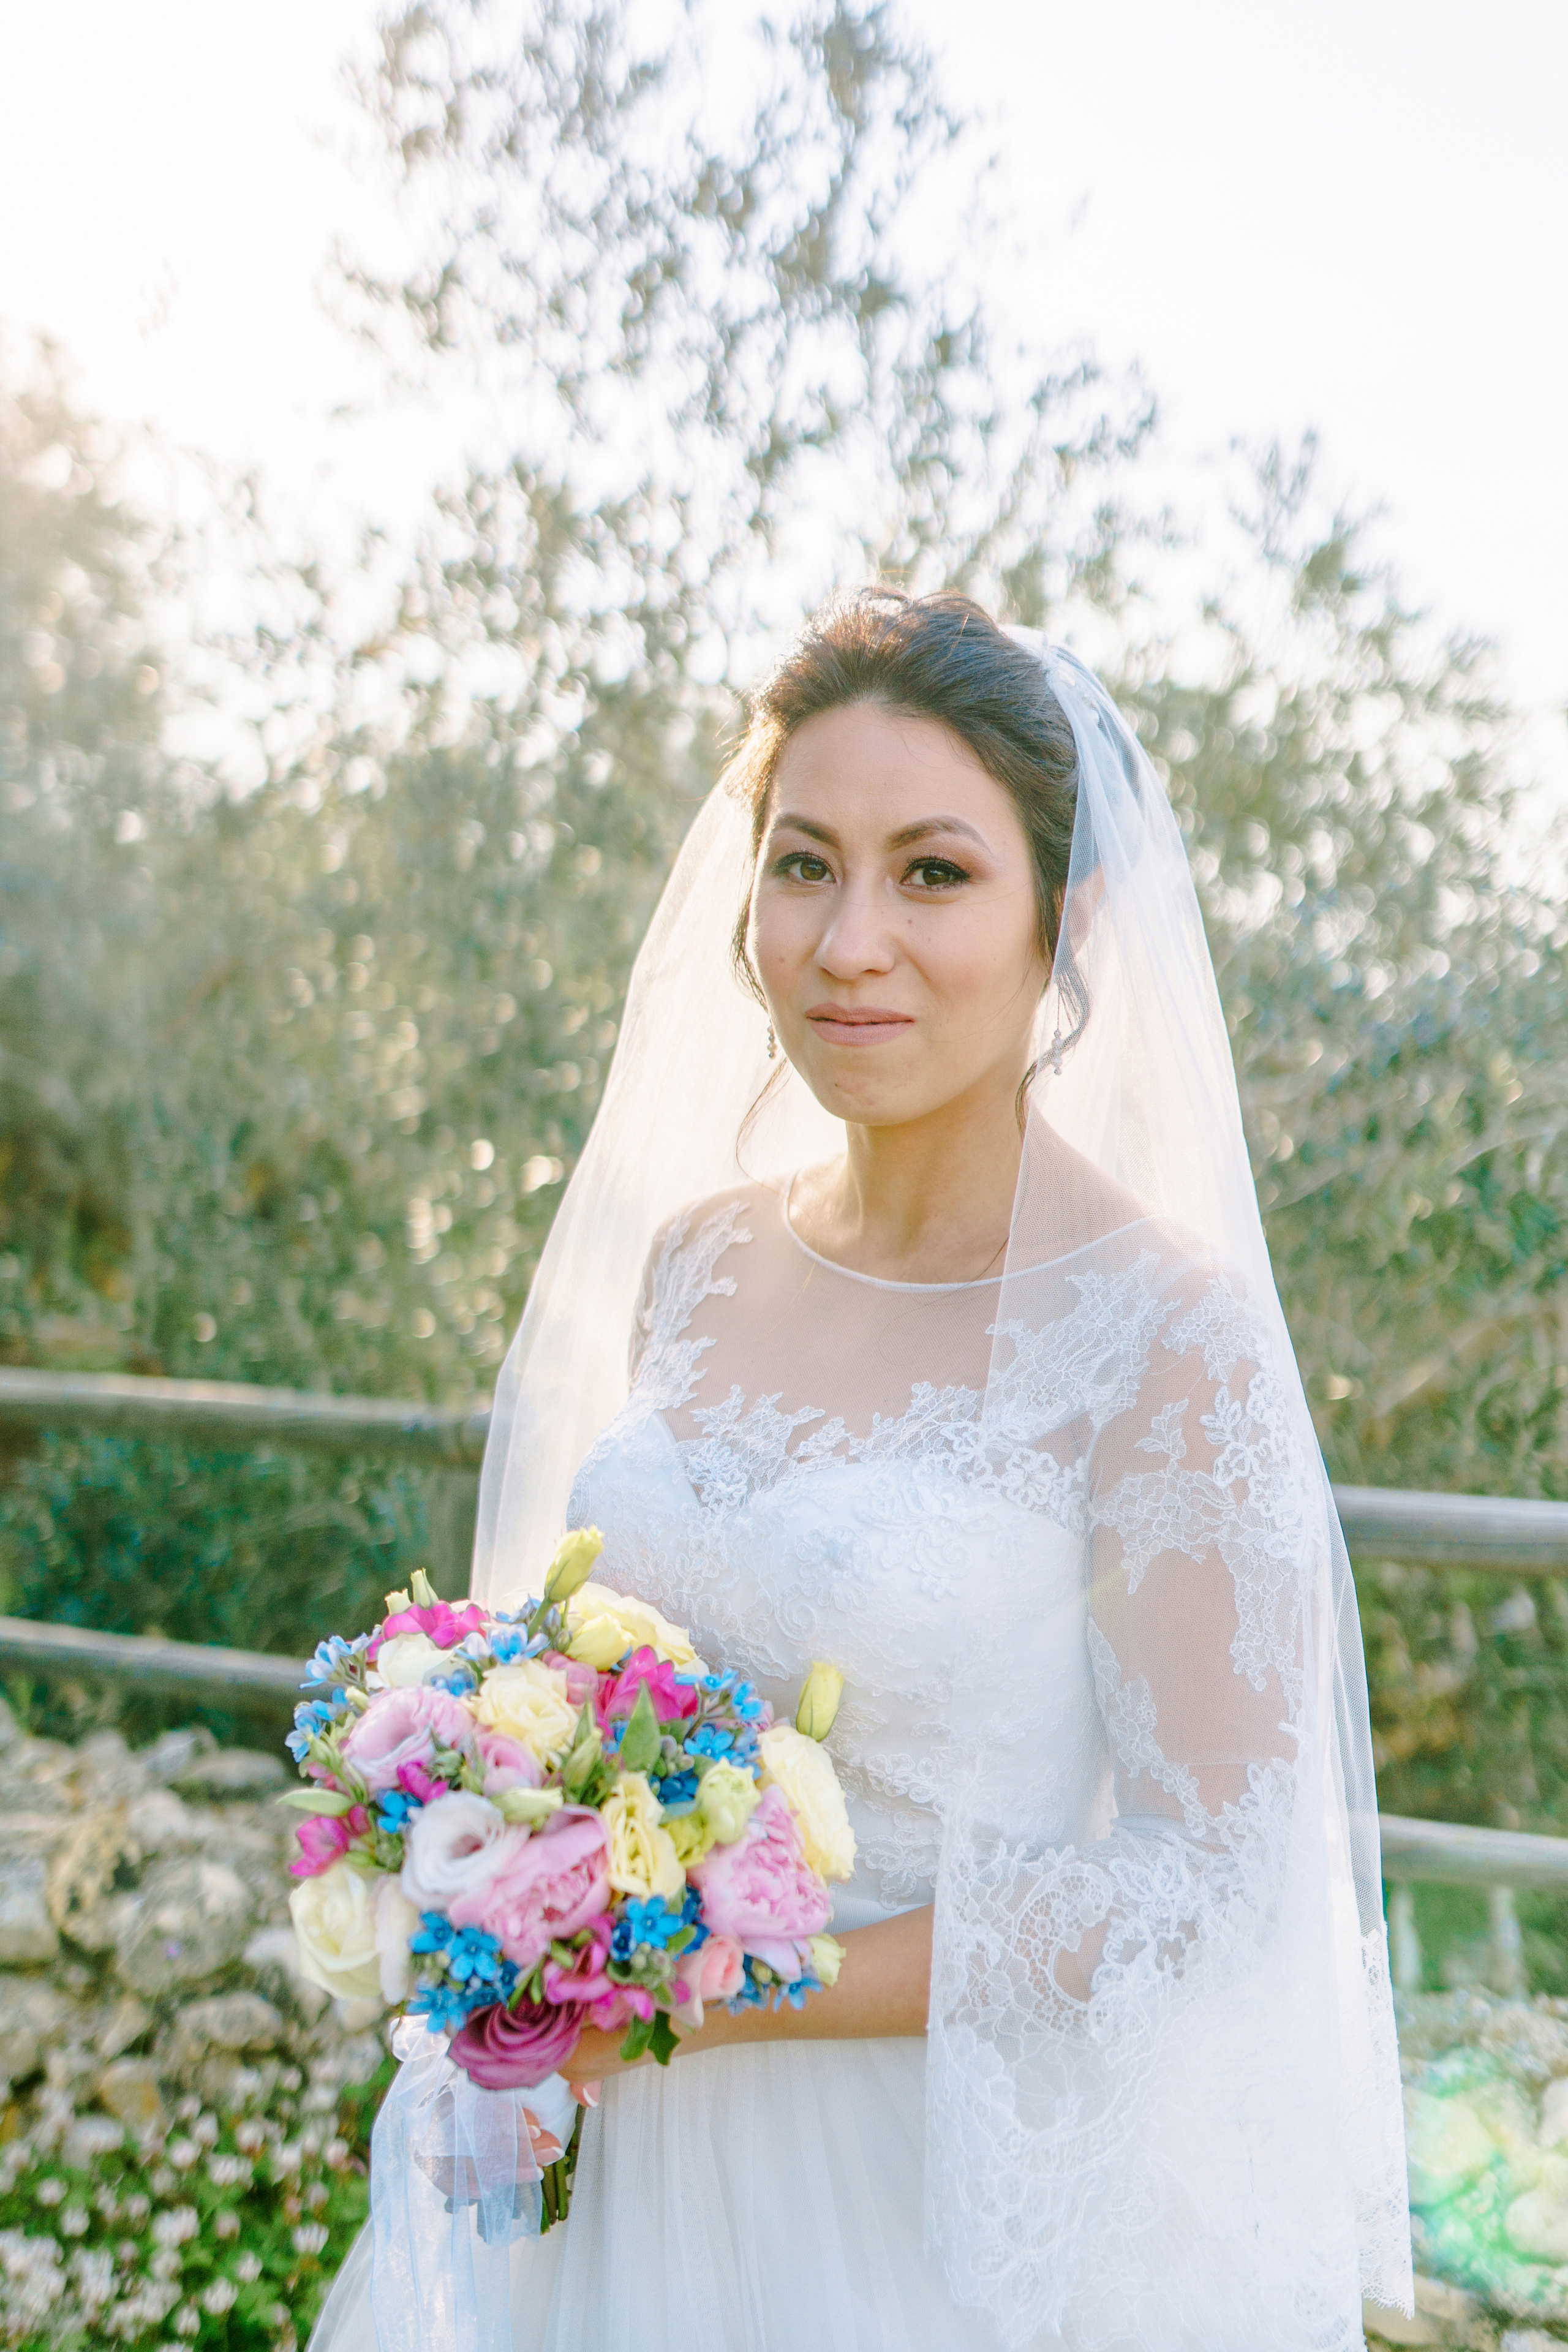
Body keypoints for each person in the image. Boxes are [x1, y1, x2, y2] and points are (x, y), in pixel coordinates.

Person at [311, 589, 1411, 2352]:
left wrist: (728, 1985)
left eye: (935, 873)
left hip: (917, 2209)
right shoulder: (695, 1259)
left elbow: (1208, 1883)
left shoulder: (1158, 1340)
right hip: (616, 2169)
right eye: (805, 863)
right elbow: (588, 1661)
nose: (848, 944)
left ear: (1072, 920)